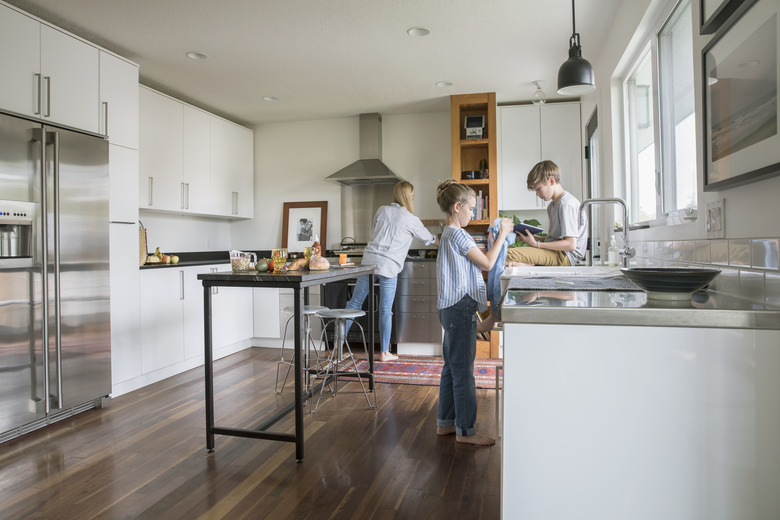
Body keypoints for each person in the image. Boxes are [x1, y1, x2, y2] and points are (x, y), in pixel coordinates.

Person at [435, 179, 513, 446]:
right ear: (457, 207)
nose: (473, 214)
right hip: (459, 308)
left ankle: (445, 424)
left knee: (452, 368)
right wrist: (502, 233)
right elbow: (489, 263)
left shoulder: (448, 234)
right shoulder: (458, 235)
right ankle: (466, 431)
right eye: (471, 208)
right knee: (464, 371)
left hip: (450, 308)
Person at [346, 181, 438, 362]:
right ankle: (384, 352)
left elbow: (375, 232)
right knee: (385, 310)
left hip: (369, 261)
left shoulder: (381, 210)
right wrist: (447, 241)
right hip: (389, 265)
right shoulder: (411, 219)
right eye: (412, 195)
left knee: (354, 304)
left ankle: (339, 346)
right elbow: (429, 239)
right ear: (409, 196)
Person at [506, 160, 588, 267]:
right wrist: (534, 238)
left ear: (552, 181)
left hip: (565, 256)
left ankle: (530, 265)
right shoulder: (552, 206)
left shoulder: (566, 204)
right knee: (510, 256)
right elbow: (556, 239)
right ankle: (529, 266)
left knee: (508, 254)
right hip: (555, 252)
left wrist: (536, 244)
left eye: (539, 189)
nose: (537, 194)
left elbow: (571, 244)